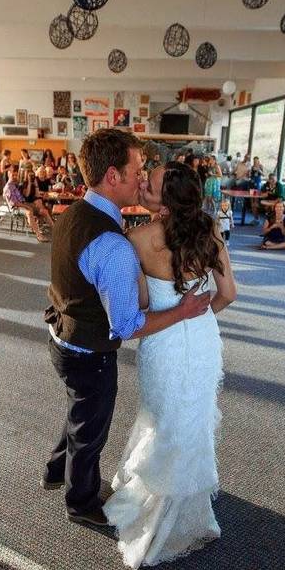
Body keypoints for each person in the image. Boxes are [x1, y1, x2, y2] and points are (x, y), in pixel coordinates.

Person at [42, 129, 214, 532]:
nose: (143, 176)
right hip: (88, 352)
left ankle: (55, 469)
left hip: (61, 334)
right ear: (113, 177)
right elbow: (128, 325)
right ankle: (80, 501)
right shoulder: (115, 246)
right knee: (90, 430)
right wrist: (184, 311)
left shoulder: (75, 213)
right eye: (138, 169)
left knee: (77, 410)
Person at [102, 160, 236, 569]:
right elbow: (228, 293)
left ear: (167, 202)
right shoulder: (210, 231)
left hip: (163, 343)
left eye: (151, 183)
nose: (143, 182)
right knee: (190, 421)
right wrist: (200, 318)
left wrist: (172, 312)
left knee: (163, 419)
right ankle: (182, 502)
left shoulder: (137, 239)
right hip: (202, 338)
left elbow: (143, 305)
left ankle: (156, 512)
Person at [19, 167, 53, 242]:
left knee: (45, 211)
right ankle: (39, 235)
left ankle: (55, 229)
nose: (31, 177)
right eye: (30, 176)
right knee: (30, 213)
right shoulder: (23, 184)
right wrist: (30, 184)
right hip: (24, 204)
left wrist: (35, 184)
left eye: (32, 175)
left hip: (32, 204)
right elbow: (27, 195)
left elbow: (37, 195)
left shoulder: (34, 183)